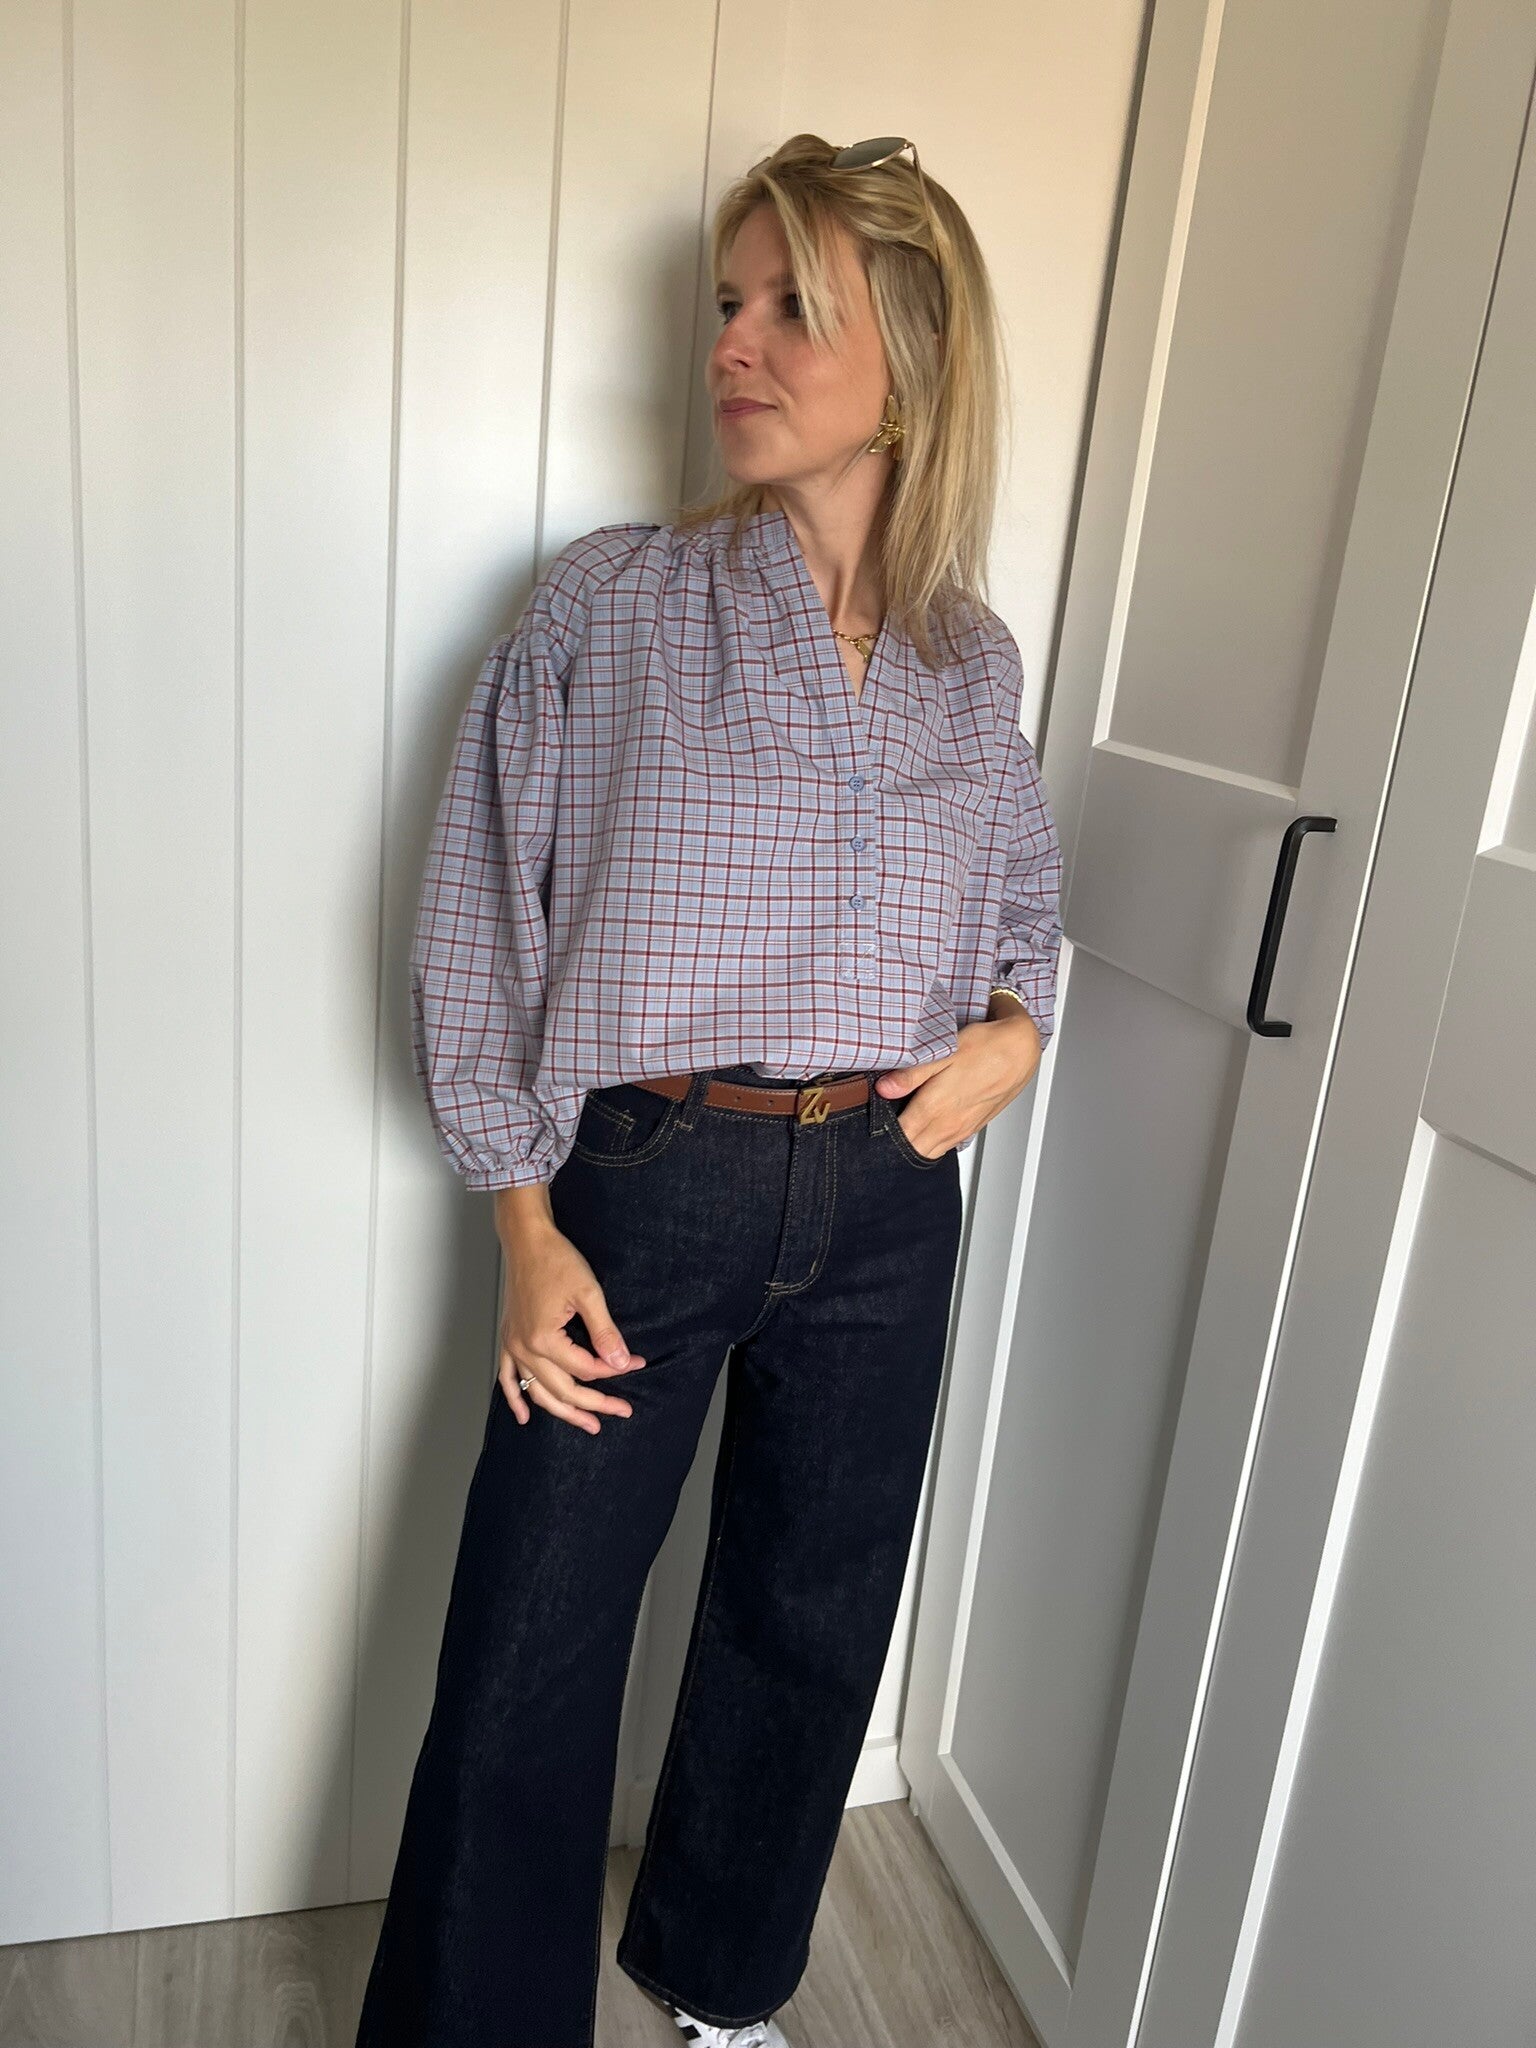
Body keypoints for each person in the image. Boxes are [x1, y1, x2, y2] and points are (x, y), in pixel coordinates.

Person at [354, 132, 1062, 2048]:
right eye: (727, 303)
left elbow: (1025, 906)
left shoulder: (969, 662)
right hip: (646, 1184)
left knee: (808, 1620)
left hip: (888, 1197)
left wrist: (1016, 1032)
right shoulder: (615, 604)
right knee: (531, 1645)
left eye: (791, 308)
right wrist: (522, 1222)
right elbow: (481, 911)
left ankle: (726, 1994)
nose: (734, 344)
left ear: (909, 360)